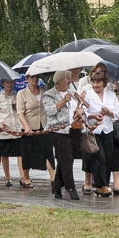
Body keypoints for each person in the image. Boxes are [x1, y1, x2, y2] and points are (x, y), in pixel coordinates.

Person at [80, 67, 119, 197]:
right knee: (99, 157)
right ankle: (99, 185)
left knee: (108, 158)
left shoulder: (111, 95)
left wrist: (109, 112)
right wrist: (93, 115)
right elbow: (82, 112)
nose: (95, 85)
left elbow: (118, 112)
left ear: (104, 83)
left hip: (108, 130)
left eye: (98, 82)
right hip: (94, 131)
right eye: (93, 82)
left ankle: (104, 185)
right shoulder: (88, 95)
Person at [42, 71, 80, 200]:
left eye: (70, 78)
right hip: (57, 130)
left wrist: (80, 107)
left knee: (66, 159)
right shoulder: (49, 94)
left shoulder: (73, 93)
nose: (70, 81)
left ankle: (57, 186)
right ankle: (71, 187)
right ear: (59, 81)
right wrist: (63, 101)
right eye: (67, 78)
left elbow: (80, 107)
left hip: (73, 129)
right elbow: (50, 111)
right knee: (66, 157)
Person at [17, 74, 55, 189]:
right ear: (27, 79)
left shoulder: (44, 91)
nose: (34, 80)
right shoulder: (22, 93)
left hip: (44, 126)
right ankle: (25, 177)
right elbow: (20, 112)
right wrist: (26, 126)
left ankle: (53, 177)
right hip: (29, 126)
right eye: (32, 77)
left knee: (48, 151)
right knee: (27, 153)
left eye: (36, 77)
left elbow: (49, 107)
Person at [0, 78, 22, 188]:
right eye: (7, 82)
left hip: (17, 129)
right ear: (3, 83)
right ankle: (8, 178)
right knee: (5, 154)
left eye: (12, 82)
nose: (10, 84)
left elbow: (22, 112)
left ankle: (23, 177)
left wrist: (16, 105)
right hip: (4, 131)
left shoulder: (18, 95)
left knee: (20, 154)